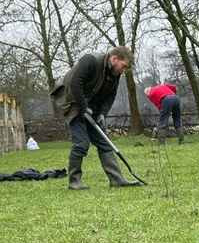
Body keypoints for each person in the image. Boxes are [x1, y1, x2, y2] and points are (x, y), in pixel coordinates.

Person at [50, 46, 142, 190]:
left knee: (104, 143)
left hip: (91, 106)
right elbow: (75, 83)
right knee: (81, 143)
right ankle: (74, 181)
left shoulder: (115, 73)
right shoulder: (91, 60)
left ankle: (117, 180)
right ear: (115, 58)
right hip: (72, 102)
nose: (123, 71)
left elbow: (110, 95)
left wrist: (102, 114)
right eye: (123, 66)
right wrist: (83, 107)